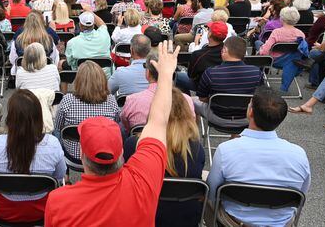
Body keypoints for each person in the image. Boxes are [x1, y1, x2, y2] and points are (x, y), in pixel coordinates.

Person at [45, 42, 180, 226]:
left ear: (83, 155)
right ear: (122, 151)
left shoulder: (58, 201)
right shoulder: (143, 183)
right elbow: (159, 121)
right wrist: (165, 75)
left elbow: (58, 128)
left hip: (69, 156)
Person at [206, 87, 310, 226]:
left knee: (202, 183)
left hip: (233, 222)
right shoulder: (299, 154)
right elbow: (300, 198)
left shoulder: (226, 150)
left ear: (250, 112)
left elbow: (212, 194)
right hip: (281, 224)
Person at [124, 86, 205, 226]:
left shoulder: (134, 145)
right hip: (186, 218)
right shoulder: (197, 148)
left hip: (145, 216)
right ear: (185, 112)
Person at [0, 89, 66, 222]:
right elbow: (59, 176)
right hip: (42, 210)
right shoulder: (53, 144)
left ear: (10, 117)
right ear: (38, 117)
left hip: (3, 210)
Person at [54, 61, 121, 160]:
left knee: (56, 133)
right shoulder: (111, 100)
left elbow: (58, 127)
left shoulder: (67, 100)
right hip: (101, 152)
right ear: (101, 79)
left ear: (78, 80)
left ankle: (63, 171)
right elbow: (115, 124)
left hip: (73, 154)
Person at [193, 36, 264, 128]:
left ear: (224, 50)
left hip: (217, 117)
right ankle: (235, 137)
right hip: (246, 117)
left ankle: (194, 138)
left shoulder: (210, 73)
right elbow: (261, 96)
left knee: (188, 100)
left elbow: (202, 99)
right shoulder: (256, 72)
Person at [121, 53, 194, 132]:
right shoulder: (187, 100)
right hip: (178, 143)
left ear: (148, 73)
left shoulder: (132, 101)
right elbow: (190, 128)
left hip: (142, 142)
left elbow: (127, 126)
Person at [176, 21, 227, 93]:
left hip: (202, 87)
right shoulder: (229, 52)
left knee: (178, 76)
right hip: (221, 85)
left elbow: (191, 75)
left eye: (209, 29)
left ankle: (188, 101)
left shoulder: (198, 54)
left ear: (209, 34)